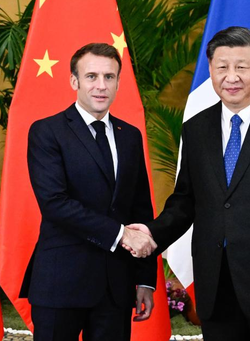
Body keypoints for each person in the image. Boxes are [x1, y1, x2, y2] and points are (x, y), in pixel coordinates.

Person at [126, 27, 250, 340]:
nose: (231, 76)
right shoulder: (196, 129)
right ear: (210, 70)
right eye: (222, 67)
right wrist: (154, 233)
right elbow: (186, 201)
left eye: (241, 67)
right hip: (215, 282)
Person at [20, 43, 158, 341]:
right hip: (61, 283)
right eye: (91, 76)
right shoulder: (47, 131)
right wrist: (122, 235)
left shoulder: (130, 136)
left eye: (109, 77)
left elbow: (141, 211)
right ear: (74, 81)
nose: (101, 85)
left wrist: (145, 280)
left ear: (118, 82)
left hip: (115, 287)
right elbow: (55, 204)